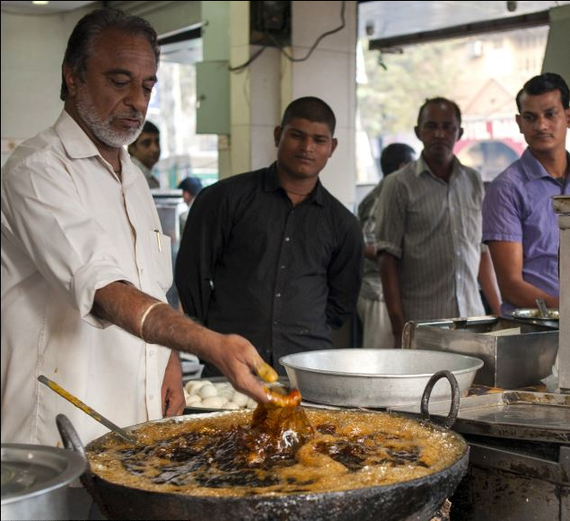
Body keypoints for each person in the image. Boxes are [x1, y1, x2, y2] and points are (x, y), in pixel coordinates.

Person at [1, 8, 270, 449]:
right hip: (57, 437)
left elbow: (154, 285)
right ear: (73, 76)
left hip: (132, 432)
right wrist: (208, 343)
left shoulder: (132, 177)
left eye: (147, 86)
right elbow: (105, 291)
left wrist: (171, 363)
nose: (137, 102)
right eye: (119, 81)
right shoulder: (37, 171)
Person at [175, 96, 364, 375]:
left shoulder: (343, 223)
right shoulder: (224, 199)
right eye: (297, 135)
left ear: (332, 147)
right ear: (278, 135)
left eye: (319, 140)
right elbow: (191, 277)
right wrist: (213, 336)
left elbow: (340, 304)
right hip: (229, 363)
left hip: (306, 369)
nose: (307, 147)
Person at [375, 97, 501, 348]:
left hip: (473, 322)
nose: (439, 134)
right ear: (418, 132)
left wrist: (499, 313)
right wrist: (398, 327)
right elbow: (387, 259)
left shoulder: (473, 181)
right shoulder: (399, 184)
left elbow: (481, 251)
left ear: (460, 132)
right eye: (431, 126)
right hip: (423, 326)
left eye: (448, 127)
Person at [483, 73, 570, 315]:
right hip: (533, 332)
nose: (541, 125)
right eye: (531, 118)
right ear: (520, 123)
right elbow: (511, 286)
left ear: (568, 117)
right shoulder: (506, 188)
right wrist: (565, 312)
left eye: (550, 114)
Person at [357, 144, 416, 349]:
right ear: (401, 167)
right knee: (378, 362)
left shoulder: (395, 194)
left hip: (390, 293)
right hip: (378, 292)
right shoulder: (378, 198)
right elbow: (363, 244)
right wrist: (398, 255)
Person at [128, 120, 161, 188]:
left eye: (157, 142)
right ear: (132, 148)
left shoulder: (146, 175)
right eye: (146, 143)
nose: (155, 149)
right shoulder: (131, 176)